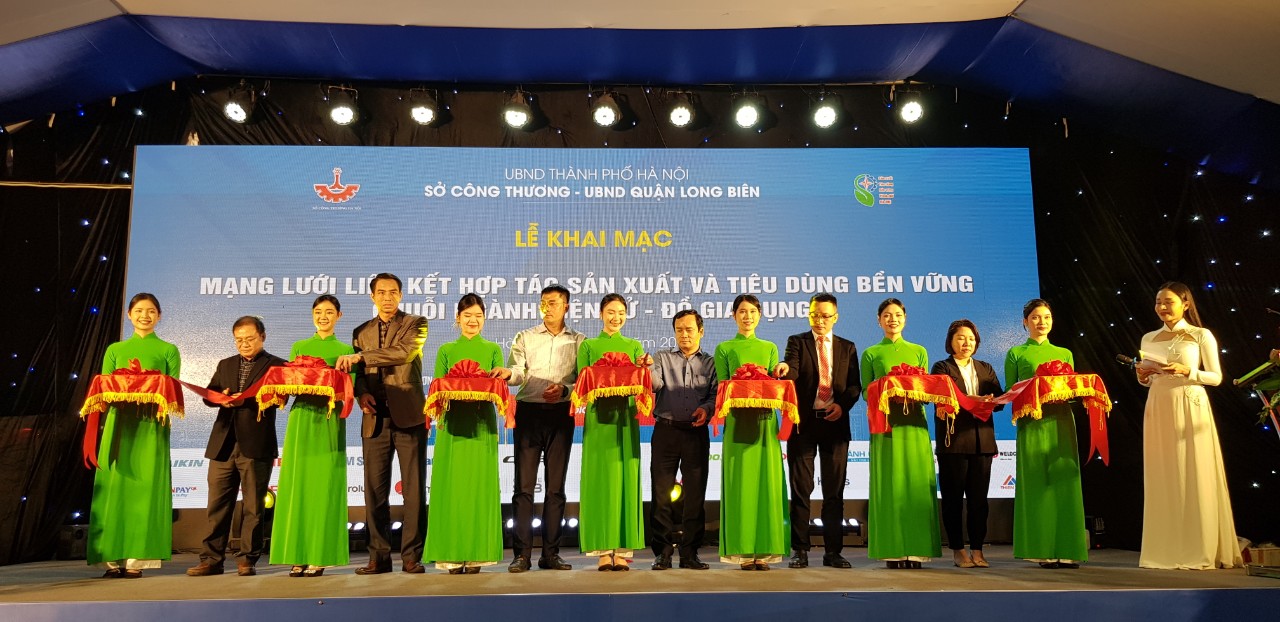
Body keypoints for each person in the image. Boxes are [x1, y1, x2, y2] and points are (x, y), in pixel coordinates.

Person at [1136, 282, 1242, 569]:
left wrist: (1188, 371)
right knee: (1163, 473)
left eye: (1168, 301)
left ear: (1185, 304)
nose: (1162, 307)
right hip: (1159, 404)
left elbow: (1216, 377)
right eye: (1158, 302)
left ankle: (1200, 547)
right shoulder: (1149, 338)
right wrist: (1143, 376)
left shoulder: (1200, 335)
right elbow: (1148, 378)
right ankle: (1165, 549)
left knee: (1195, 471)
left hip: (1189, 403)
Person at [335, 273, 429, 574]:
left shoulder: (416, 323)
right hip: (374, 418)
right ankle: (379, 556)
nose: (387, 298)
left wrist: (361, 357)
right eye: (381, 293)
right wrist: (361, 393)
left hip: (408, 415)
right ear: (372, 296)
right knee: (374, 491)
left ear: (400, 295)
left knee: (413, 490)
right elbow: (359, 375)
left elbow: (403, 353)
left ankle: (412, 556)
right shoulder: (360, 331)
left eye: (393, 292)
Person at [87, 293, 182, 578]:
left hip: (151, 427)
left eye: (151, 311)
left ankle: (137, 561)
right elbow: (104, 388)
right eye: (139, 310)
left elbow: (173, 390)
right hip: (119, 426)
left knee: (145, 489)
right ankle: (111, 559)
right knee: (115, 488)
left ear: (159, 316)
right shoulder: (115, 349)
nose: (145, 316)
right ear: (129, 315)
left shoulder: (168, 350)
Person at [187, 316, 286, 577]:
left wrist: (252, 399)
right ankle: (211, 559)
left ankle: (247, 559)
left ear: (262, 337)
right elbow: (210, 395)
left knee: (254, 506)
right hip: (223, 442)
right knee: (217, 505)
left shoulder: (277, 365)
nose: (244, 344)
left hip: (256, 442)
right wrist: (221, 398)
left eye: (249, 339)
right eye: (239, 340)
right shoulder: (226, 364)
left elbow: (281, 398)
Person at [423, 294, 511, 574]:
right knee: (451, 488)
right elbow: (437, 389)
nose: (473, 321)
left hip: (482, 426)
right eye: (467, 316)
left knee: (478, 488)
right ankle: (450, 553)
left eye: (478, 316)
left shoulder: (493, 350)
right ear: (457, 319)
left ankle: (477, 554)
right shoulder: (446, 350)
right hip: (452, 427)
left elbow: (500, 391)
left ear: (484, 319)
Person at [270, 295, 356, 577]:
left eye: (329, 312)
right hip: (301, 419)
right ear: (312, 315)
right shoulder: (299, 346)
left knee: (323, 487)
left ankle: (320, 554)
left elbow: (349, 388)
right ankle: (297, 554)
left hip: (328, 420)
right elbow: (289, 381)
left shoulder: (346, 350)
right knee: (298, 486)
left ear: (339, 316)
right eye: (318, 312)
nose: (323, 317)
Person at [774, 293, 861, 569]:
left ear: (835, 317)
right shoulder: (797, 342)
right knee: (801, 490)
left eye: (824, 316)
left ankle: (833, 552)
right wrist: (784, 368)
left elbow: (854, 386)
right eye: (814, 315)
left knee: (834, 492)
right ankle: (800, 550)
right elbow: (792, 367)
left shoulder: (847, 347)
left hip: (835, 425)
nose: (819, 320)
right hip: (804, 425)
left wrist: (842, 406)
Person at [506, 284, 585, 573]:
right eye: (543, 303)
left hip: (560, 414)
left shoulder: (580, 341)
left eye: (553, 302)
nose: (547, 307)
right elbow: (517, 372)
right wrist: (507, 374)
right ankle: (522, 555)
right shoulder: (525, 337)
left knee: (555, 489)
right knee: (523, 488)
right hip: (528, 412)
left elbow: (583, 380)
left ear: (566, 307)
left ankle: (550, 554)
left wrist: (565, 390)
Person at [1005, 298, 1086, 568]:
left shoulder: (1064, 353)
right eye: (1036, 317)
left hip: (1061, 421)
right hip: (1032, 423)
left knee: (1064, 481)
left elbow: (1072, 389)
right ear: (1025, 322)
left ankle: (1069, 549)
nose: (1042, 322)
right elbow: (1011, 391)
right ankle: (1042, 550)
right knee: (1037, 483)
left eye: (1047, 317)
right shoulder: (1016, 353)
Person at [860, 298, 940, 569]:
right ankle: (892, 551)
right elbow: (865, 392)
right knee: (890, 485)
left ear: (905, 318)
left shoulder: (919, 351)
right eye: (886, 315)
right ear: (878, 320)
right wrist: (887, 388)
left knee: (916, 484)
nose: (892, 319)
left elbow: (927, 389)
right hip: (886, 426)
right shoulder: (871, 353)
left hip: (915, 425)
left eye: (897, 315)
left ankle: (917, 550)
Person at [714, 294, 789, 570]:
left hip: (765, 423)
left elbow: (773, 383)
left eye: (752, 312)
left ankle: (765, 551)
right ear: (734, 315)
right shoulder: (724, 348)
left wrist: (779, 372)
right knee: (741, 486)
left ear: (760, 315)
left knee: (766, 485)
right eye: (742, 312)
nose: (747, 317)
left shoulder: (769, 348)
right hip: (737, 423)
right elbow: (722, 387)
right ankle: (744, 551)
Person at [577, 293, 651, 571]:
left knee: (625, 480)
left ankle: (622, 550)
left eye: (621, 312)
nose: (616, 317)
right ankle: (602, 550)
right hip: (598, 420)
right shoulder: (588, 346)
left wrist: (644, 369)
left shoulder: (634, 346)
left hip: (626, 419)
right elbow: (582, 382)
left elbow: (642, 384)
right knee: (600, 482)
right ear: (600, 314)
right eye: (610, 312)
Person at [647, 309, 716, 570]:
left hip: (696, 433)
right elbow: (654, 385)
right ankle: (662, 553)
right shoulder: (662, 357)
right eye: (679, 330)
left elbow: (715, 395)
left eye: (689, 329)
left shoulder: (710, 363)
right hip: (666, 431)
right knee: (661, 494)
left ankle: (690, 553)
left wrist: (707, 409)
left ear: (701, 331)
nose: (684, 334)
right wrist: (646, 369)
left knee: (695, 496)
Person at [931, 319, 1002, 569]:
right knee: (952, 499)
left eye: (971, 338)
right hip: (954, 442)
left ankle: (978, 549)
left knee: (979, 501)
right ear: (950, 341)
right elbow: (942, 396)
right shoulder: (942, 367)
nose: (966, 343)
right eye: (961, 338)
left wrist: (990, 400)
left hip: (982, 442)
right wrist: (970, 400)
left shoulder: (985, 368)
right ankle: (958, 550)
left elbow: (999, 401)